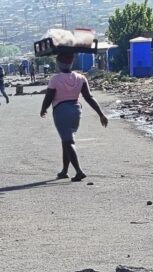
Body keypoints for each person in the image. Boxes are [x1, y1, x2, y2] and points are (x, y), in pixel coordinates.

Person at [40, 52, 108, 182]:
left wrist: (43, 109)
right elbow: (89, 97)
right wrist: (100, 114)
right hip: (76, 110)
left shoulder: (55, 79)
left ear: (58, 64)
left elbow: (48, 97)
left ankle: (79, 171)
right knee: (66, 139)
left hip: (61, 111)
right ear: (71, 63)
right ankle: (64, 170)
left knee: (68, 141)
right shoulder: (80, 78)